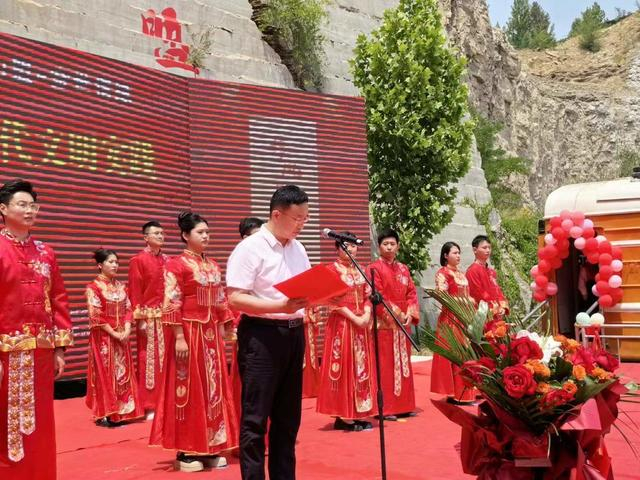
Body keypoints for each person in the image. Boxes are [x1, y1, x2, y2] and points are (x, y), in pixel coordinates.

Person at [226, 185, 311, 480]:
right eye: (297, 218)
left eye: (305, 218)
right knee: (255, 419)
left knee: (288, 421)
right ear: (276, 215)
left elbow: (303, 295)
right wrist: (280, 306)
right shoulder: (250, 248)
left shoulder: (299, 248)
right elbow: (235, 298)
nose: (301, 225)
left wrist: (327, 296)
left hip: (294, 335)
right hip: (262, 337)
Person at [150, 212, 238, 472]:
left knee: (213, 388)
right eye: (201, 232)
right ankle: (187, 449)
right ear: (185, 235)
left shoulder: (213, 265)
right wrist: (179, 336)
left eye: (207, 232)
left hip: (210, 336)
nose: (206, 236)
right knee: (189, 388)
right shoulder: (176, 265)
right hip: (189, 333)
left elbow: (220, 299)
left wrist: (227, 327)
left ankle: (211, 445)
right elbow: (172, 300)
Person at [0, 179, 73, 480]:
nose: (30, 210)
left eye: (33, 205)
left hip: (41, 354)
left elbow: (58, 298)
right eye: (22, 204)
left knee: (40, 423)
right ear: (3, 209)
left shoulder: (46, 252)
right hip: (6, 354)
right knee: (6, 423)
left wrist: (59, 348)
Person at [316, 235, 374, 431]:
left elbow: (368, 296)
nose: (350, 249)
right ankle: (343, 416)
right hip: (342, 325)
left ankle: (359, 412)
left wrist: (366, 314)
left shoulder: (362, 270)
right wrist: (355, 318)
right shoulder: (331, 270)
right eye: (345, 246)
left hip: (361, 325)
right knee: (344, 366)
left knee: (361, 368)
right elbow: (331, 301)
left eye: (353, 246)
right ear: (337, 249)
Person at [85, 249, 144, 426]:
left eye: (116, 262)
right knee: (105, 374)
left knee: (122, 373)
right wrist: (114, 333)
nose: (115, 265)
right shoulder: (93, 288)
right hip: (104, 337)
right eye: (110, 262)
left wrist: (126, 330)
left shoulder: (121, 287)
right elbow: (96, 315)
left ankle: (122, 411)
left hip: (122, 337)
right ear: (100, 265)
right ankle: (105, 413)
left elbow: (128, 309)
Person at [366, 228, 419, 420]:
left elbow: (412, 293)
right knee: (385, 366)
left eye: (392, 244)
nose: (389, 247)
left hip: (403, 324)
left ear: (398, 246)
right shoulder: (373, 269)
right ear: (379, 247)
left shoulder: (404, 268)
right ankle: (386, 408)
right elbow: (377, 296)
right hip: (385, 326)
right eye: (385, 244)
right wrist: (397, 314)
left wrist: (410, 313)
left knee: (404, 364)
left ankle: (404, 405)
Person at [128, 221, 169, 415]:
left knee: (167, 359)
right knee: (149, 360)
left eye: (162, 233)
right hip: (149, 317)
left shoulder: (168, 260)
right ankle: (150, 404)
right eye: (156, 233)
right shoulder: (138, 260)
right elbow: (135, 290)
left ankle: (166, 401)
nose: (160, 236)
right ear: (146, 237)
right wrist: (140, 319)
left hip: (167, 317)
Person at [229, 217, 265, 436]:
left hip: (268, 327)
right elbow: (233, 299)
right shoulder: (240, 259)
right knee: (249, 387)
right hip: (247, 329)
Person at [430, 242, 476, 404]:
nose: (458, 256)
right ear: (445, 255)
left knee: (465, 353)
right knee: (453, 354)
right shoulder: (442, 273)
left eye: (459, 253)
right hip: (450, 319)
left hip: (464, 319)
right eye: (454, 253)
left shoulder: (461, 274)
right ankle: (453, 393)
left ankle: (466, 393)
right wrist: (465, 301)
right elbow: (441, 295)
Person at [465, 235, 509, 320]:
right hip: (482, 316)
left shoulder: (491, 272)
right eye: (484, 248)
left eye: (489, 247)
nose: (488, 250)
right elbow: (478, 294)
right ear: (475, 250)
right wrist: (495, 308)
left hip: (496, 313)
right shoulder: (472, 270)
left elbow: (498, 291)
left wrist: (502, 307)